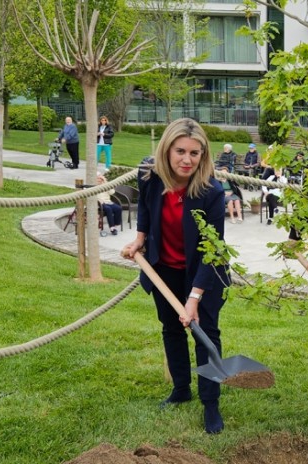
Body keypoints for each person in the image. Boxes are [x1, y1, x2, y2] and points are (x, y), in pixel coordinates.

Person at [120, 118, 229, 435]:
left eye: (195, 153)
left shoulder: (211, 192)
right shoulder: (150, 176)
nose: (187, 160)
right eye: (180, 151)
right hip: (163, 268)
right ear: (167, 150)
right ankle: (181, 389)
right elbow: (145, 209)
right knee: (171, 328)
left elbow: (212, 250)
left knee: (204, 333)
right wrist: (140, 239)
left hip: (203, 272)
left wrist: (194, 298)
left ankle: (211, 403)